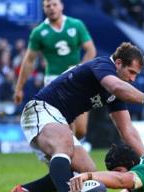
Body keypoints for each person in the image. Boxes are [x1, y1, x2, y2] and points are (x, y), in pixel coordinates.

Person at [9, 42, 144, 192]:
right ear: (118, 64)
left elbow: (127, 129)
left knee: (88, 171)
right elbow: (116, 86)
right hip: (40, 108)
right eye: (131, 72)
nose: (133, 79)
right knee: (64, 144)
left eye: (136, 75)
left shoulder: (116, 93)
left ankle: (25, 191)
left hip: (57, 118)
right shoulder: (102, 65)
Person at [13, 0, 96, 142]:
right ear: (44, 9)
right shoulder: (39, 32)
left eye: (54, 4)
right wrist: (19, 88)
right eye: (48, 6)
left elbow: (91, 51)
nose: (51, 8)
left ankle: (68, 154)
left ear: (61, 6)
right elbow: (28, 61)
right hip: (54, 81)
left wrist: (79, 70)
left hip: (77, 79)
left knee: (81, 130)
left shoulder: (76, 25)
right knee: (67, 126)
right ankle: (67, 159)